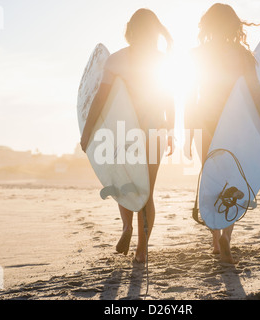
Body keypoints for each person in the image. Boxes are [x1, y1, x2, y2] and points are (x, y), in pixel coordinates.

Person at [184, 3, 260, 264]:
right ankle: (227, 234)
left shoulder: (197, 55)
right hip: (235, 125)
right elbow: (258, 96)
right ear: (233, 25)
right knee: (233, 180)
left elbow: (189, 98)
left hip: (205, 122)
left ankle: (215, 241)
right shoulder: (241, 55)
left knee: (211, 180)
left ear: (206, 26)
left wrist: (186, 133)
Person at [80, 9, 175, 263]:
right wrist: (171, 130)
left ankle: (127, 227)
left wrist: (87, 130)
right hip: (155, 130)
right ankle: (142, 250)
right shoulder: (161, 60)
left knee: (124, 183)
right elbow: (169, 99)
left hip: (124, 133)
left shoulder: (117, 60)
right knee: (147, 191)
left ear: (130, 30)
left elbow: (100, 99)